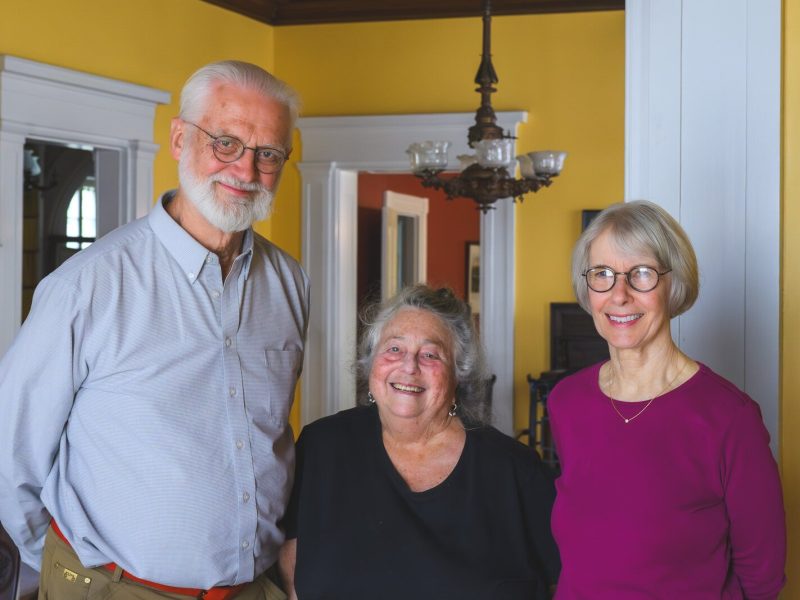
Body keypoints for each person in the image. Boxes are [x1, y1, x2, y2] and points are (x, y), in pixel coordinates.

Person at [0, 60, 309, 599]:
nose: (247, 170)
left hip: (253, 588)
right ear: (179, 138)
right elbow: (11, 456)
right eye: (226, 143)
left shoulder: (289, 283)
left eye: (268, 154)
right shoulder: (86, 287)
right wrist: (69, 572)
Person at [548, 200, 786, 599]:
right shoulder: (567, 402)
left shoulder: (730, 417)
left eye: (640, 274)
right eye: (602, 274)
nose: (618, 294)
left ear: (673, 284)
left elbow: (762, 576)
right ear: (587, 289)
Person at [278, 285, 560, 599]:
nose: (409, 366)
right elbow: (294, 579)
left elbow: (563, 583)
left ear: (458, 374)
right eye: (394, 349)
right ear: (372, 364)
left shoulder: (515, 471)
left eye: (430, 354)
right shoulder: (321, 448)